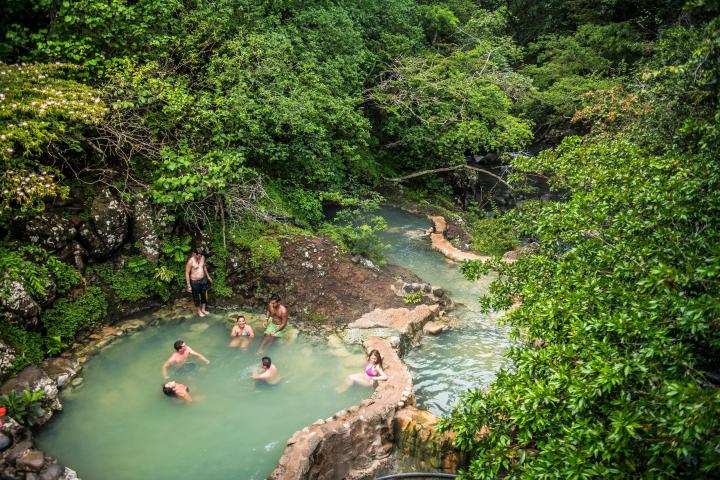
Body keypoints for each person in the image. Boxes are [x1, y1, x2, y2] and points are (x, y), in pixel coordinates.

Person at [185, 247, 213, 317]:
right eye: (198, 255)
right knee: (196, 297)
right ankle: (199, 311)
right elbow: (187, 273)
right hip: (195, 282)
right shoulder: (190, 261)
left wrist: (208, 276)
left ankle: (203, 309)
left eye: (201, 255)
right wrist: (188, 285)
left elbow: (204, 267)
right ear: (194, 254)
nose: (200, 256)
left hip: (203, 279)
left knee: (204, 294)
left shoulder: (203, 257)